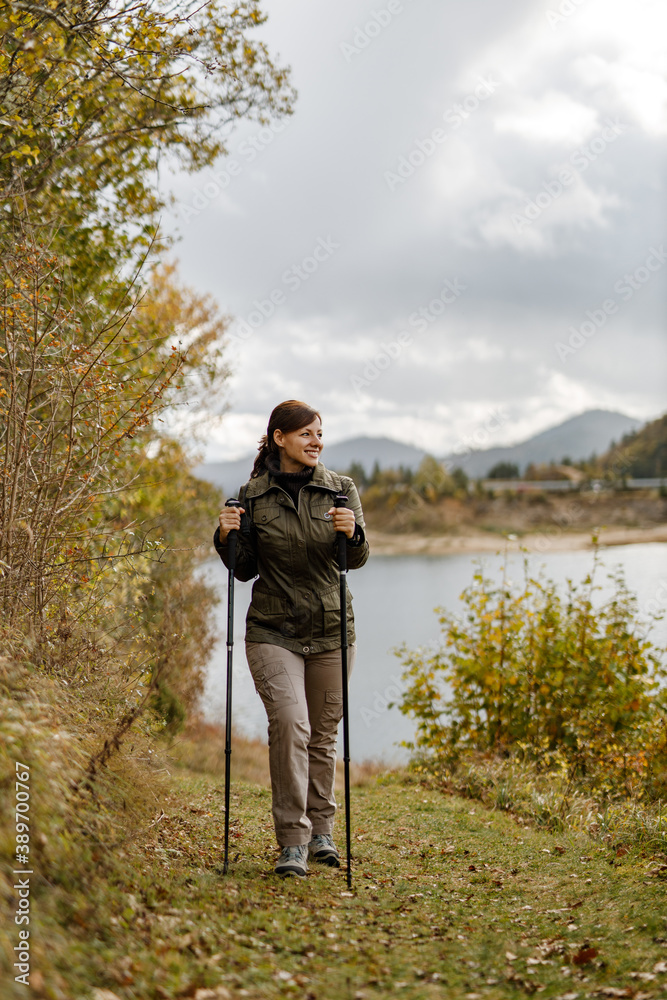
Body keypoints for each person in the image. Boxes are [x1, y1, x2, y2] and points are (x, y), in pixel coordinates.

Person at [213, 400, 370, 877]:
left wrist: (354, 534)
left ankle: (323, 832)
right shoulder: (251, 497)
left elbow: (356, 561)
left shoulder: (341, 491)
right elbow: (242, 571)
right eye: (306, 434)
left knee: (322, 737)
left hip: (330, 631)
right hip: (272, 631)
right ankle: (293, 842)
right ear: (279, 438)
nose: (316, 441)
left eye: (319, 433)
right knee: (290, 724)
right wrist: (225, 538)